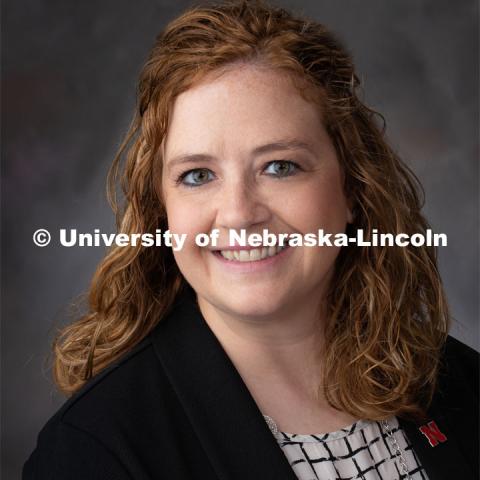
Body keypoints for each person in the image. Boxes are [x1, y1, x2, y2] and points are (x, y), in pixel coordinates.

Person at [23, 1, 478, 479]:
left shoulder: (462, 388)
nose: (239, 214)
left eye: (280, 167)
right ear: (162, 211)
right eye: (197, 175)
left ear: (353, 189)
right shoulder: (94, 451)